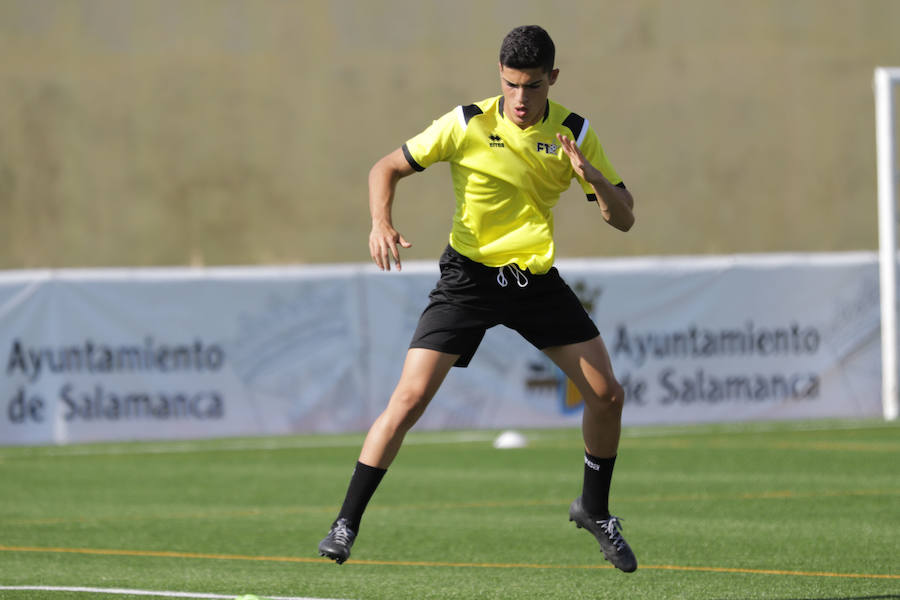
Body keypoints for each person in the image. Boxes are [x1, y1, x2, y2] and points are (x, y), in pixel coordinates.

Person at [318, 25, 637, 573]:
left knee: (607, 397)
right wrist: (380, 222)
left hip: (534, 283)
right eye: (511, 84)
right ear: (500, 77)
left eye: (532, 86)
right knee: (410, 398)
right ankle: (344, 522)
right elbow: (385, 167)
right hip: (468, 280)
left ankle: (594, 508)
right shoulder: (466, 123)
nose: (519, 98)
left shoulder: (575, 132)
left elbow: (624, 218)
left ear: (552, 80)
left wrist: (594, 179)